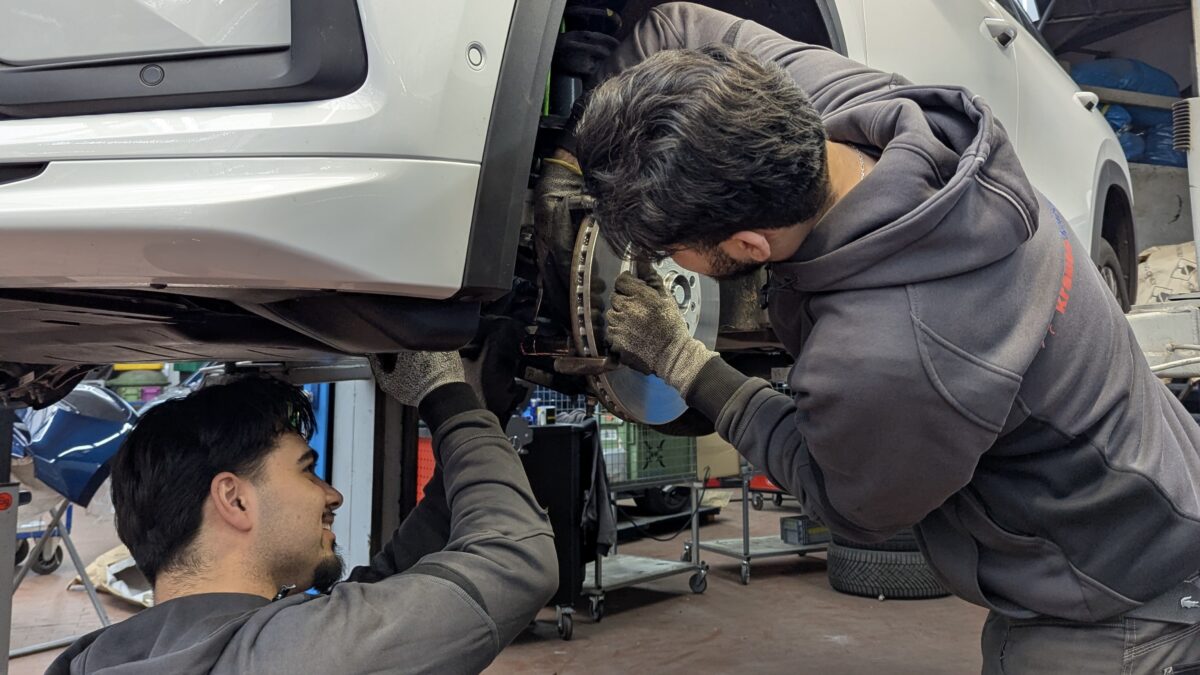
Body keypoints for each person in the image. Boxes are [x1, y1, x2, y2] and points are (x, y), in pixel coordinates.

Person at [545, 3, 1200, 671]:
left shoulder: (891, 355)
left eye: (671, 250)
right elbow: (675, 23)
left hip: (1119, 595)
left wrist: (684, 361)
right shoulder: (862, 112)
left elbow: (849, 504)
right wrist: (567, 166)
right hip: (1163, 491)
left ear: (748, 246)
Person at [48, 357, 557, 675]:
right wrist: (446, 396)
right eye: (308, 470)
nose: (332, 495)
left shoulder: (89, 659)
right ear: (234, 499)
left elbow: (377, 592)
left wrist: (474, 433)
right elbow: (515, 560)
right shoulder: (296, 655)